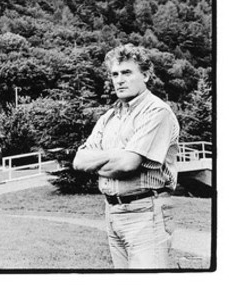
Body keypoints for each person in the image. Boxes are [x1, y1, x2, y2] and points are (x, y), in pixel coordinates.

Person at [73, 44, 179, 269]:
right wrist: (117, 154)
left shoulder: (157, 112)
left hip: (145, 212)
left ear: (146, 75)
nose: (119, 80)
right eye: (115, 74)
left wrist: (103, 160)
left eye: (127, 73)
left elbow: (129, 163)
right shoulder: (109, 117)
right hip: (112, 212)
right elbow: (79, 161)